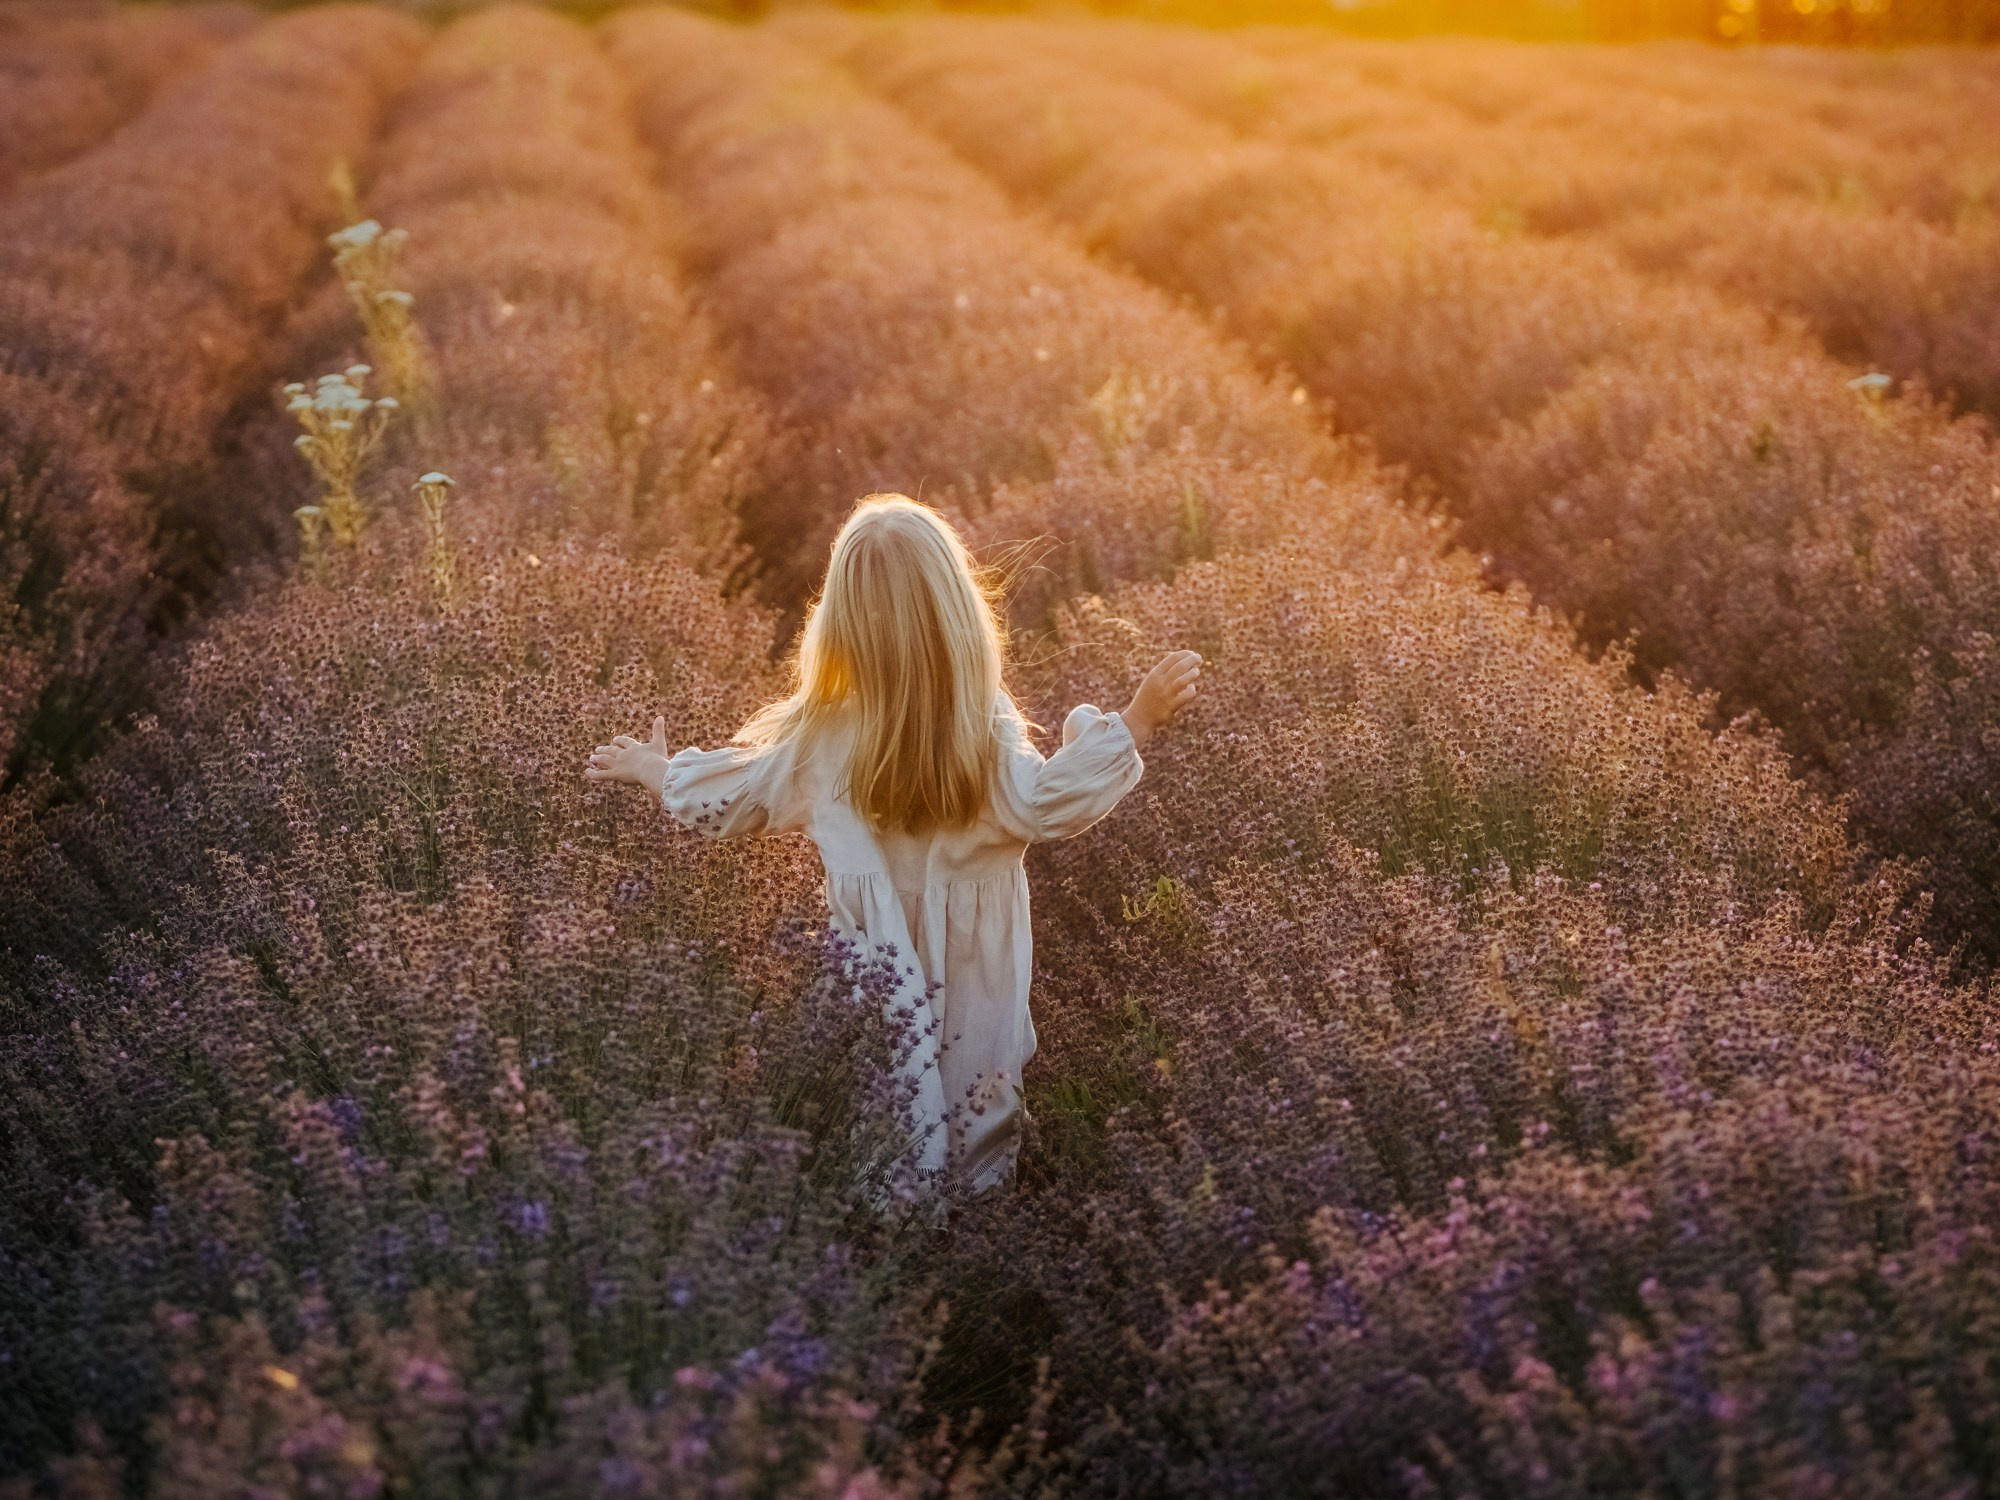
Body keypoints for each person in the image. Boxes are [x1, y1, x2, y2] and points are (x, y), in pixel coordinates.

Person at [585, 494, 1200, 1191]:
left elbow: (736, 798)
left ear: (839, 627)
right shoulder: (985, 728)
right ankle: (973, 1252)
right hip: (980, 967)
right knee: (981, 1106)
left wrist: (652, 769)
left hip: (874, 962)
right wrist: (1132, 721)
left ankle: (892, 1236)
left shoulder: (821, 738)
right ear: (959, 616)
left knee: (887, 1108)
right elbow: (1048, 802)